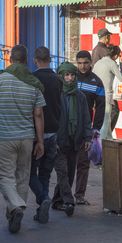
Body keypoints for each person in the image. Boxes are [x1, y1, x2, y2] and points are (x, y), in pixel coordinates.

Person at [0, 45, 45, 233]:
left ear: (10, 59)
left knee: (5, 176)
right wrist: (40, 141)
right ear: (26, 60)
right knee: (22, 176)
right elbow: (38, 114)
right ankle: (14, 212)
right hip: (27, 138)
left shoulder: (1, 80)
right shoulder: (33, 83)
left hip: (4, 138)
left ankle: (16, 206)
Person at [52, 62, 92, 216]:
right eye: (66, 75)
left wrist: (87, 137)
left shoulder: (80, 96)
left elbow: (86, 118)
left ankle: (57, 201)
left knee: (69, 174)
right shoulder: (57, 95)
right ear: (61, 76)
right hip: (59, 140)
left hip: (75, 140)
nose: (69, 78)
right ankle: (69, 201)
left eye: (72, 75)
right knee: (62, 172)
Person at [29, 46, 62, 224]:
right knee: (46, 173)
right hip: (54, 133)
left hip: (37, 135)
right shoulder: (58, 79)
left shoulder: (32, 80)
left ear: (35, 60)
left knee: (29, 173)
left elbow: (35, 112)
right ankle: (43, 207)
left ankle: (43, 199)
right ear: (50, 59)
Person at [75, 50, 105, 204]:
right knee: (65, 165)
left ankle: (79, 196)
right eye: (79, 63)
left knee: (83, 164)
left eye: (85, 63)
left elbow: (100, 107)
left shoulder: (96, 81)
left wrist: (96, 128)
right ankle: (61, 197)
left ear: (90, 63)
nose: (82, 66)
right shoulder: (69, 77)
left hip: (85, 130)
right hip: (68, 129)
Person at [93, 45, 122, 139]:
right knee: (106, 120)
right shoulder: (111, 63)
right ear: (115, 56)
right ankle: (101, 143)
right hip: (106, 94)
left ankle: (109, 138)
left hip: (96, 93)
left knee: (106, 118)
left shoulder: (98, 62)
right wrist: (121, 64)